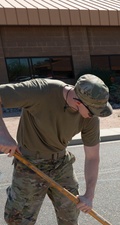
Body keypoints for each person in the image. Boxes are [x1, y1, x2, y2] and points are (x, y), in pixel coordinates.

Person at [0, 74, 113, 224]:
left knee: (70, 214)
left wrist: (89, 195)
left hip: (61, 162)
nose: (94, 116)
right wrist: (3, 134)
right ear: (78, 102)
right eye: (93, 111)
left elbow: (92, 157)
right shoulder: (41, 90)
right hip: (29, 163)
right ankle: (17, 194)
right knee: (19, 219)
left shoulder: (90, 119)